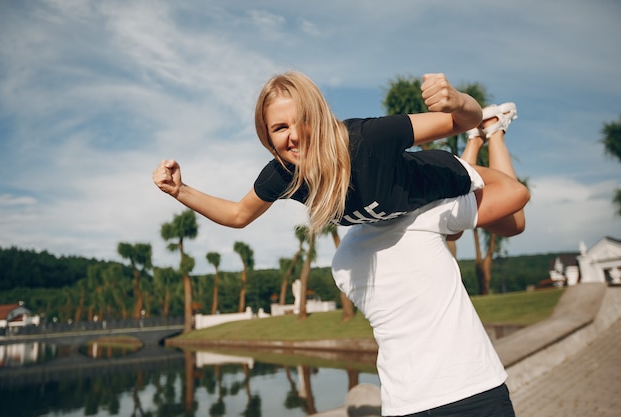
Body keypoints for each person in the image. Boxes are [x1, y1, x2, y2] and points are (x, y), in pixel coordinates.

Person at [331, 103, 527, 417]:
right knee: (514, 223)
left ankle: (482, 136)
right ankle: (491, 133)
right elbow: (515, 195)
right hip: (473, 389)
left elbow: (450, 235)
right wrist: (447, 163)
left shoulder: (340, 263)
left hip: (405, 403)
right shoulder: (426, 214)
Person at [153, 71, 512, 235]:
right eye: (280, 128)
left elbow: (463, 120)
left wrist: (459, 101)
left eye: (303, 120)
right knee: (472, 232)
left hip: (442, 180)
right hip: (413, 205)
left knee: (514, 222)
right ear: (267, 136)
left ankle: (494, 131)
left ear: (320, 116)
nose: (294, 137)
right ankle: (481, 142)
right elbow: (237, 215)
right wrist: (179, 191)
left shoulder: (368, 139)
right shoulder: (283, 174)